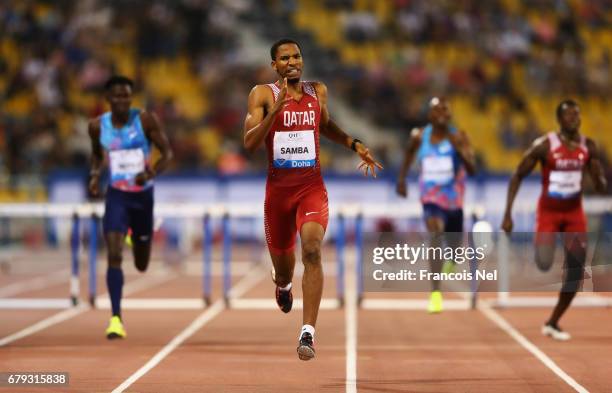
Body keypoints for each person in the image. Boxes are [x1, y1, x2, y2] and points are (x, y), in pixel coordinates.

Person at [243, 38, 382, 360]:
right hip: (278, 195)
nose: (293, 62)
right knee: (284, 269)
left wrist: (354, 143)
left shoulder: (317, 91)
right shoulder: (262, 94)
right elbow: (249, 143)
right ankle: (283, 285)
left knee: (313, 251)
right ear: (274, 65)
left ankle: (308, 332)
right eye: (285, 58)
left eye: (297, 56)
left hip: (311, 189)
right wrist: (273, 113)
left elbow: (325, 125)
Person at [502, 99, 607, 340]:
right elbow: (517, 175)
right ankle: (545, 252)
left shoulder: (588, 146)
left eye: (577, 115)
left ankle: (553, 321)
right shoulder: (544, 146)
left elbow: (600, 184)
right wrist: (508, 214)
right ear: (559, 120)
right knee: (544, 262)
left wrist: (599, 179)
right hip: (549, 213)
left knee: (576, 273)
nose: (574, 119)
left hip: (573, 214)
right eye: (569, 115)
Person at [88, 76, 173, 339]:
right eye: (117, 96)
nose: (123, 100)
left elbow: (167, 154)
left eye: (127, 95)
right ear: (108, 99)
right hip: (117, 196)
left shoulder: (145, 120)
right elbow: (96, 155)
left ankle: (136, 237)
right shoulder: (97, 126)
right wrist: (94, 176)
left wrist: (151, 174)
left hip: (142, 198)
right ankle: (115, 319)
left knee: (141, 263)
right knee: (113, 254)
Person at [396, 97, 476, 313]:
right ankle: (435, 293)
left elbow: (472, 170)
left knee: (454, 247)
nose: (441, 113)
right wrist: (402, 179)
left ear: (450, 114)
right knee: (435, 235)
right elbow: (408, 154)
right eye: (436, 110)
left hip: (454, 199)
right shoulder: (419, 136)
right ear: (429, 114)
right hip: (431, 198)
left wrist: (460, 151)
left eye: (445, 109)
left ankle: (451, 260)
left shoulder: (459, 136)